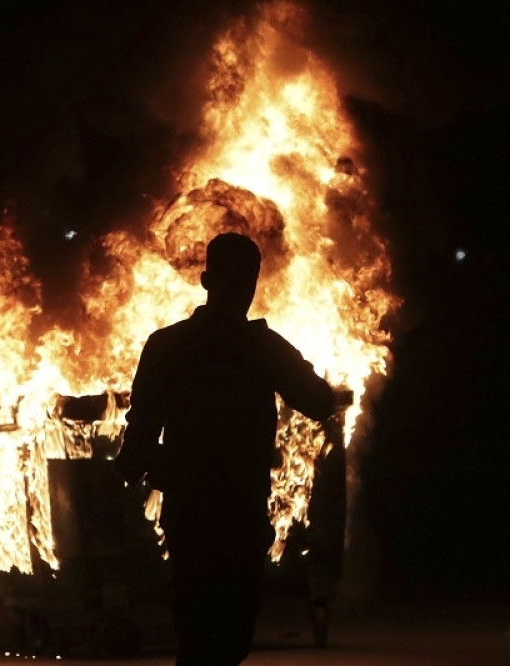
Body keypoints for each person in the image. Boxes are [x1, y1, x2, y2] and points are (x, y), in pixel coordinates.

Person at [114, 232, 335, 666]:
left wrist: (139, 473)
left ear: (206, 280)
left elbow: (138, 437)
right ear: (213, 280)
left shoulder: (168, 345)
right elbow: (319, 401)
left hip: (193, 513)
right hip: (236, 511)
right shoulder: (261, 346)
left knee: (198, 633)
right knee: (227, 635)